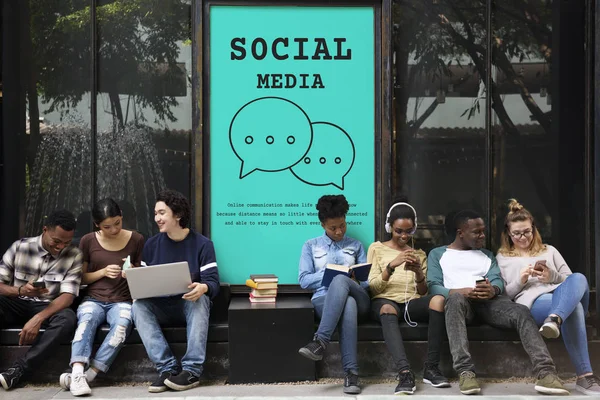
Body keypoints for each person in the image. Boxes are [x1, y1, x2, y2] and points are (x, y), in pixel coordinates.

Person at [427, 210, 568, 395]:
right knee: (453, 300)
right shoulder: (438, 254)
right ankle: (465, 372)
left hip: (490, 303)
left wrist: (492, 289)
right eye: (477, 232)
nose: (483, 235)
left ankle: (546, 373)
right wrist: (461, 291)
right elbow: (434, 286)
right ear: (460, 232)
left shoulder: (487, 255)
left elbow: (497, 281)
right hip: (461, 303)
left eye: (483, 231)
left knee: (520, 311)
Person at [496, 199, 600, 395]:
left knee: (579, 277)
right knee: (575, 308)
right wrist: (521, 280)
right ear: (508, 234)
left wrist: (551, 276)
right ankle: (585, 376)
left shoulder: (549, 250)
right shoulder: (503, 258)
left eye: (527, 231)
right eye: (516, 233)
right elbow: (505, 296)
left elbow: (573, 282)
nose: (523, 237)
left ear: (533, 229)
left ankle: (555, 318)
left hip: (561, 297)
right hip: (534, 302)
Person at [132, 189, 220, 393]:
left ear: (177, 214)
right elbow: (146, 282)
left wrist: (203, 287)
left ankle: (191, 371)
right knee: (138, 306)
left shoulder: (202, 245)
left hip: (189, 304)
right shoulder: (151, 245)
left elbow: (213, 282)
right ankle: (167, 369)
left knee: (201, 299)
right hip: (160, 305)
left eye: (162, 213)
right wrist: (135, 279)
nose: (157, 218)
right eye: (156, 213)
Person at [59, 198, 144, 396]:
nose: (114, 229)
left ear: (121, 216)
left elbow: (142, 276)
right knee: (86, 322)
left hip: (122, 300)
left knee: (121, 328)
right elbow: (79, 278)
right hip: (94, 299)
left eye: (117, 223)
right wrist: (103, 272)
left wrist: (132, 271)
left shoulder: (137, 239)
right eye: (107, 226)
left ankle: (89, 376)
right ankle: (78, 371)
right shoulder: (87, 240)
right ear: (97, 224)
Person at [367, 200, 449, 394]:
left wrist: (419, 274)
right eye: (399, 231)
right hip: (385, 301)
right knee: (387, 308)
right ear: (389, 228)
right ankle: (404, 372)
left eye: (409, 231)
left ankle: (431, 368)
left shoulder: (419, 253)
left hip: (410, 303)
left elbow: (423, 293)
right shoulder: (376, 248)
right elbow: (373, 288)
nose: (404, 236)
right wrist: (391, 266)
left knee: (438, 300)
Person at [0, 210, 83, 390]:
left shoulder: (74, 254)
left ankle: (18, 370)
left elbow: (68, 296)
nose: (60, 247)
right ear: (45, 230)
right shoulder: (20, 247)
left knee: (67, 318)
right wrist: (20, 290)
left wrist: (39, 318)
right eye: (56, 241)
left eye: (66, 242)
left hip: (47, 307)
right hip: (16, 302)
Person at [298, 194, 370, 395]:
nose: (339, 231)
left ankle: (320, 342)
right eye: (333, 228)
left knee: (343, 285)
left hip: (360, 297)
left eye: (342, 226)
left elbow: (366, 284)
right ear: (322, 225)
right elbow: (304, 280)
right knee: (347, 304)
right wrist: (329, 271)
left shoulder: (356, 245)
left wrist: (349, 278)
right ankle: (351, 374)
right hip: (324, 299)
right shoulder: (310, 246)